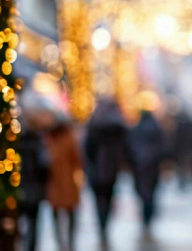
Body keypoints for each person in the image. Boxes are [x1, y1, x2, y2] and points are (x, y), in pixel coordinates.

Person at [84, 100, 126, 248]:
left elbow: (87, 148)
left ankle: (102, 226)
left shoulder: (94, 125)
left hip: (96, 169)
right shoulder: (118, 126)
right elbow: (124, 147)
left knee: (98, 200)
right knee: (108, 198)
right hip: (111, 169)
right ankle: (105, 225)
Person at [45, 121, 83, 251]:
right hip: (63, 182)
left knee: (63, 214)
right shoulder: (65, 137)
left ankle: (64, 242)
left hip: (61, 182)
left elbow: (76, 159)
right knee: (66, 214)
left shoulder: (51, 139)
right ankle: (66, 242)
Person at [125, 107, 164, 231]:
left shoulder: (136, 129)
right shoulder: (157, 128)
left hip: (140, 165)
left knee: (143, 191)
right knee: (151, 191)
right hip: (153, 165)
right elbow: (162, 147)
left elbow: (130, 147)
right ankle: (149, 214)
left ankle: (146, 214)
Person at [17, 127, 51, 251]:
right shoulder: (37, 142)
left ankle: (21, 244)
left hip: (18, 188)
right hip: (33, 189)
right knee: (33, 223)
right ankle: (30, 246)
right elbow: (44, 165)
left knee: (19, 221)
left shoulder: (15, 142)